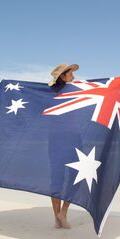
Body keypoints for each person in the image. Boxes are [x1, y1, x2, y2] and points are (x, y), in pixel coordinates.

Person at [47, 63, 79, 229]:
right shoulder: (72, 92)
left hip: (55, 140)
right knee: (74, 176)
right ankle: (63, 214)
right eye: (70, 73)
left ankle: (58, 217)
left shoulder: (50, 93)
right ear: (63, 76)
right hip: (70, 139)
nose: (73, 75)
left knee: (57, 179)